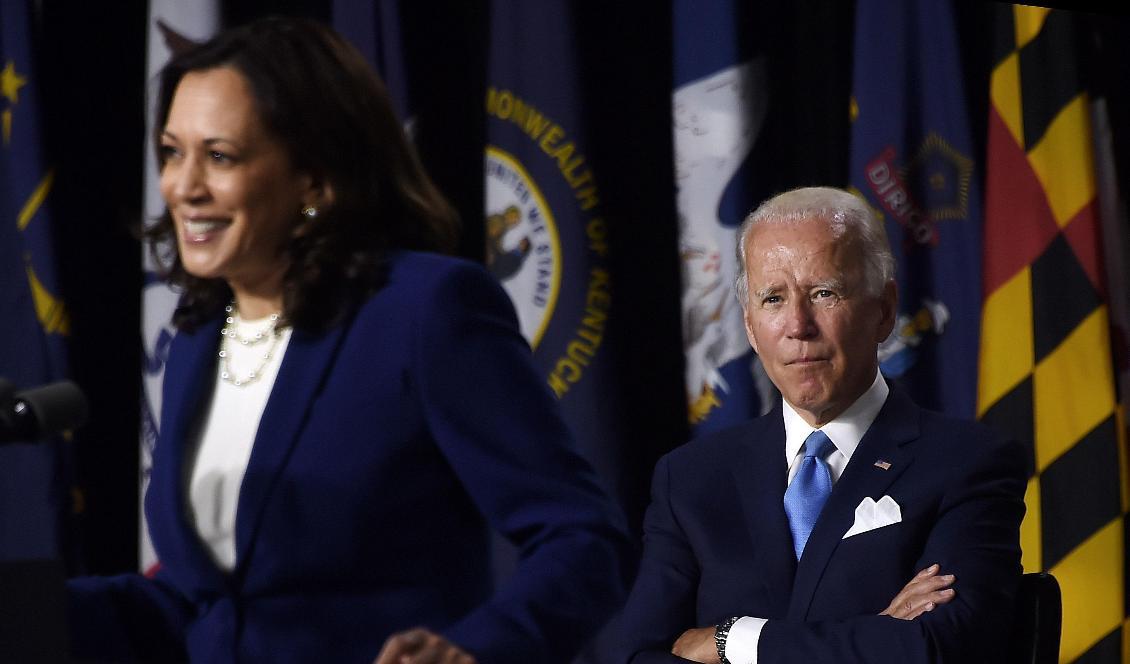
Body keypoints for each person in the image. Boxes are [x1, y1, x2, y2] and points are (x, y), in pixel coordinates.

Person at [66, 17, 630, 664]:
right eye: (172, 151)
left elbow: (585, 538)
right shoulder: (197, 336)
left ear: (313, 180)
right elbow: (208, 604)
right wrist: (34, 609)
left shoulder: (424, 313)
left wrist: (475, 650)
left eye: (219, 156)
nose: (182, 187)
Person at [611, 187, 1027, 663]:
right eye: (773, 299)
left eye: (823, 293)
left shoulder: (968, 462)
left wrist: (733, 640)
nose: (798, 325)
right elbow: (636, 657)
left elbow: (937, 648)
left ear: (884, 311)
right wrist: (873, 636)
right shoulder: (689, 479)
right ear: (749, 326)